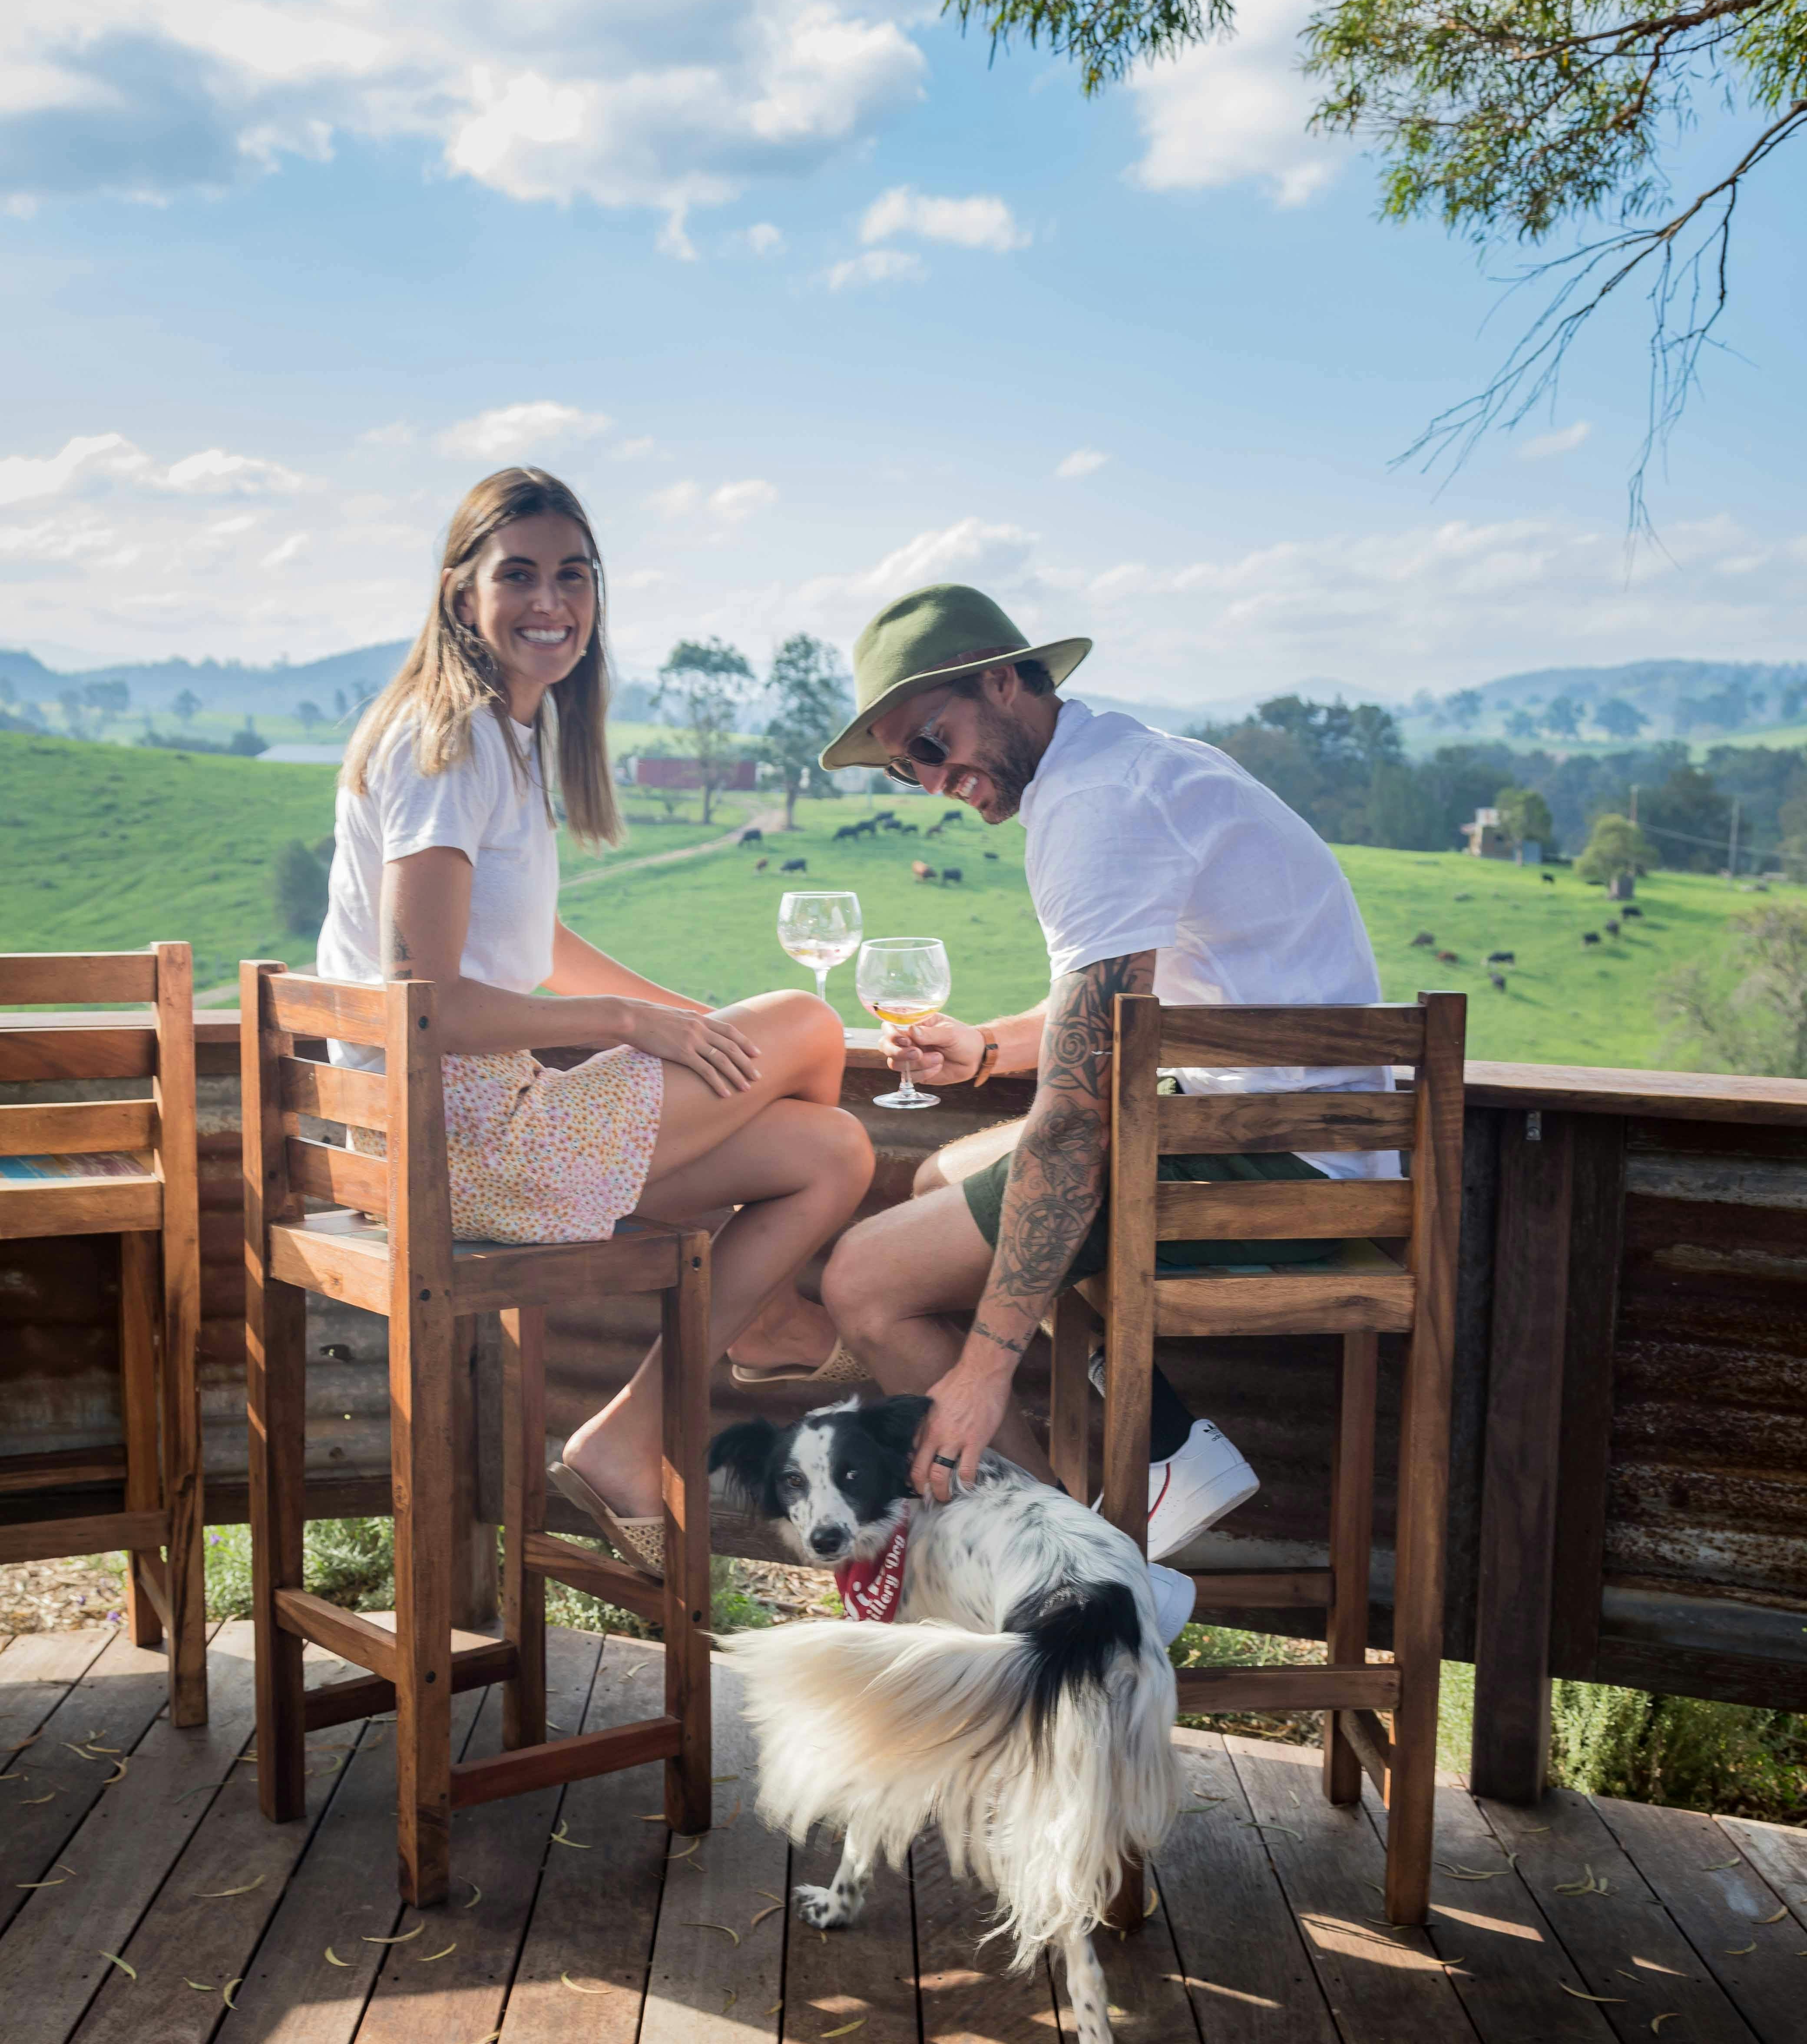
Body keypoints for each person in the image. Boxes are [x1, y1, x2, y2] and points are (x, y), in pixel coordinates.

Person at [316, 466, 872, 1572]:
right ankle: (757, 1317)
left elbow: (535, 949)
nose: (550, 602)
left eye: (573, 576)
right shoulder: (453, 740)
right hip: (460, 1149)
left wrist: (688, 1020)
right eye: (517, 575)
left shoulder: (504, 738)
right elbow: (420, 996)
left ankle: (625, 1436)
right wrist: (640, 1022)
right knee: (811, 1025)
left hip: (470, 1133)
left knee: (833, 1150)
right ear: (457, 593)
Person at [817, 582, 1394, 1592]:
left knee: (863, 1283)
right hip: (1280, 1136)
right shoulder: (1128, 761)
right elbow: (1128, 1013)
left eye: (929, 740)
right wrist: (988, 1050)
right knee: (941, 1177)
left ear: (1003, 683)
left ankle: (1074, 1589)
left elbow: (1079, 1114)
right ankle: (1168, 1449)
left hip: (1265, 1165)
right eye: (905, 765)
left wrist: (981, 1370)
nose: (927, 777)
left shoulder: (1093, 805)